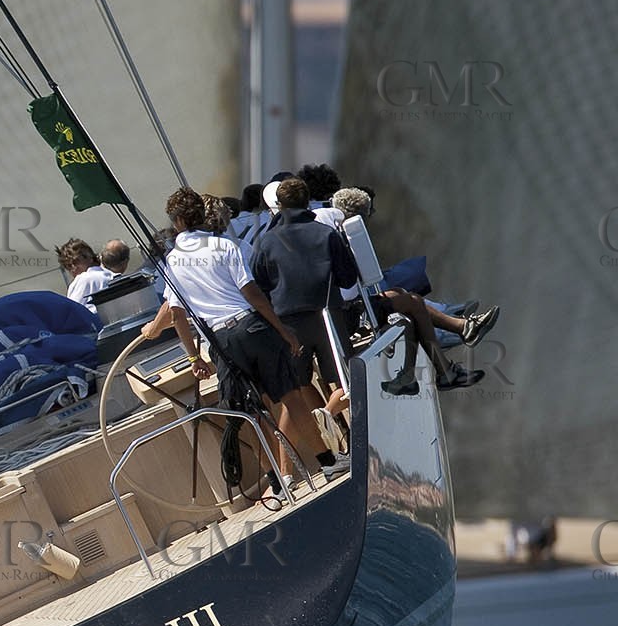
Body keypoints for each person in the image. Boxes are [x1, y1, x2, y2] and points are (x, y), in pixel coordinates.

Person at [155, 187, 340, 490]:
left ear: (176, 223)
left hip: (220, 341)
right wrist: (283, 330)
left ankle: (276, 482)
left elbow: (176, 315)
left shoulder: (172, 263)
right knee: (291, 396)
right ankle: (328, 463)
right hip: (252, 328)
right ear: (201, 216)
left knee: (251, 412)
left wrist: (193, 358)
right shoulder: (224, 246)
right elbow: (252, 294)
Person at [330, 186, 494, 394]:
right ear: (359, 218)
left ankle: (433, 365)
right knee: (411, 306)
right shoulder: (344, 240)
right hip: (348, 314)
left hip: (345, 308)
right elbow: (359, 281)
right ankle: (455, 344)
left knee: (404, 297)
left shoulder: (331, 231)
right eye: (369, 214)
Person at [250, 177, 361, 397]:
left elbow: (258, 285)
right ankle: (332, 413)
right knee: (345, 381)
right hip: (328, 317)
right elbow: (348, 278)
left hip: (288, 325)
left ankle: (322, 424)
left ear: (279, 206)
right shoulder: (326, 233)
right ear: (308, 201)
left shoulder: (265, 242)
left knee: (298, 385)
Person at [55, 238, 103, 308]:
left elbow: (73, 311)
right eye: (68, 266)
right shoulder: (111, 273)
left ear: (89, 257)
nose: (73, 268)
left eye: (76, 262)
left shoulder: (83, 279)